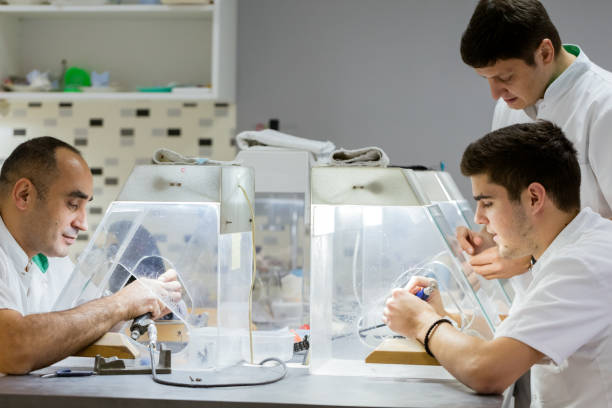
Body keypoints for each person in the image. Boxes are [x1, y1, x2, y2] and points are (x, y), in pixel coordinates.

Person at [383, 121, 612, 406]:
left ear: (533, 198)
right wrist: (445, 316)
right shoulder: (572, 247)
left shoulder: (583, 264)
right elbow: (516, 332)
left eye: (487, 203)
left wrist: (421, 322)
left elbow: (487, 371)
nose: (478, 219)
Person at [457, 0, 612, 284]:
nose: (494, 93)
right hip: (535, 304)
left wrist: (530, 258)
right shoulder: (508, 107)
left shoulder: (604, 105)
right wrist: (489, 239)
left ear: (544, 52)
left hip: (595, 302)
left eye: (505, 77)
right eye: (486, 79)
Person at [0, 137, 181, 375]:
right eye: (73, 204)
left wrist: (145, 302)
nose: (83, 224)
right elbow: (13, 348)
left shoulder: (51, 259)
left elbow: (85, 319)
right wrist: (122, 303)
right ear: (24, 195)